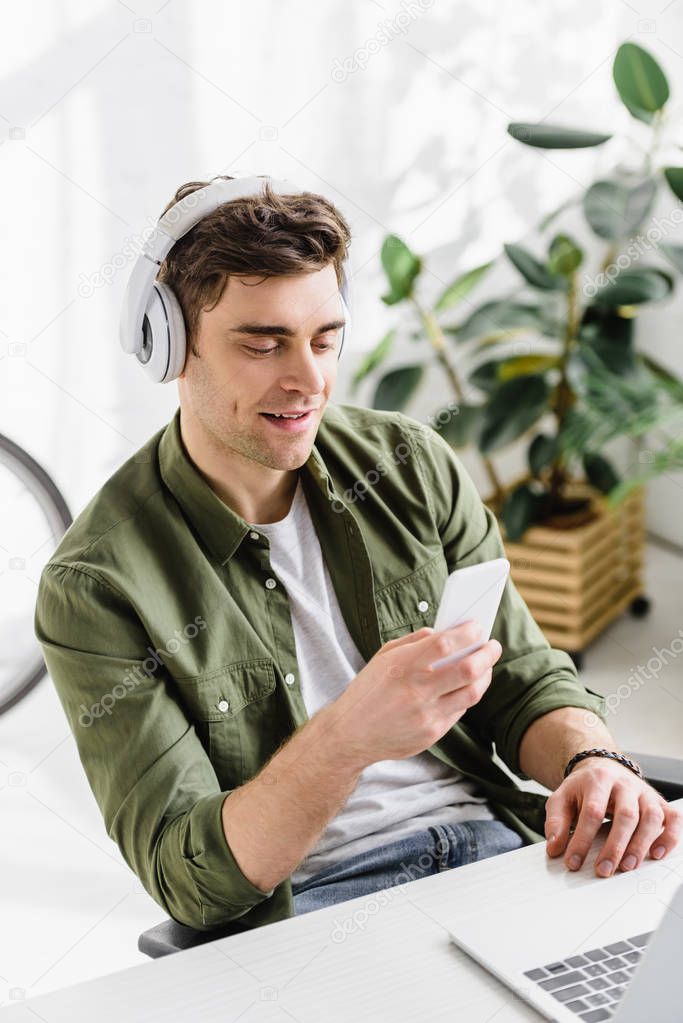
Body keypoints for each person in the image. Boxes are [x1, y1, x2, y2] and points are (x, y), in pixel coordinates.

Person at [34, 176, 681, 934]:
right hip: (315, 907)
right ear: (169, 344)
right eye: (262, 342)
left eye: (324, 337)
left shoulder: (408, 460)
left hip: (500, 848)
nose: (308, 380)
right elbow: (191, 878)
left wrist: (592, 763)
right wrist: (347, 736)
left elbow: (523, 679)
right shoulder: (97, 586)